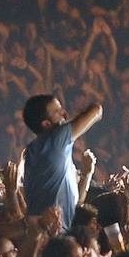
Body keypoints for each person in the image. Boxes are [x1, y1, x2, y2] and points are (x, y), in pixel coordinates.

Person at [21, 94, 103, 233]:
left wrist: (87, 174)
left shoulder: (33, 151)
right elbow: (96, 110)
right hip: (53, 236)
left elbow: (75, 202)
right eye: (58, 112)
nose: (65, 114)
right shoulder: (56, 140)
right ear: (46, 124)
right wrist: (82, 111)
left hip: (42, 234)